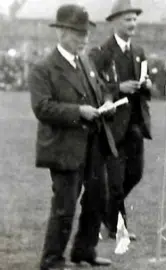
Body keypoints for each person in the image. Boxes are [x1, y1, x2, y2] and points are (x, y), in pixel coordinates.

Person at [29, 4, 117, 269]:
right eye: (79, 33)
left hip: (92, 145)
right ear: (62, 33)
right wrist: (79, 111)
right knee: (65, 207)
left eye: (86, 33)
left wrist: (108, 103)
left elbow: (100, 92)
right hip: (63, 148)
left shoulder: (86, 62)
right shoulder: (43, 69)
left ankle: (84, 251)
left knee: (97, 200)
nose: (85, 39)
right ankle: (52, 260)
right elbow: (42, 108)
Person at [89, 0, 154, 241]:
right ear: (115, 22)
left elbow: (147, 86)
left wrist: (147, 85)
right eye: (128, 20)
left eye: (135, 19)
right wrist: (119, 87)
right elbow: (94, 84)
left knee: (135, 174)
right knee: (115, 181)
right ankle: (118, 226)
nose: (132, 23)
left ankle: (107, 213)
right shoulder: (102, 52)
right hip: (112, 126)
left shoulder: (139, 53)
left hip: (135, 124)